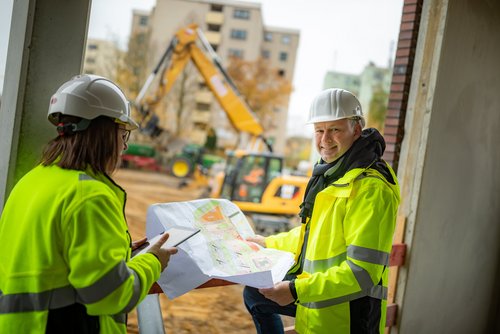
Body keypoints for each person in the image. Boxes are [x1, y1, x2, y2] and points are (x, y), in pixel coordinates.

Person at [0, 74, 177, 333]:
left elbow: (53, 257)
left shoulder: (32, 180)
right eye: (123, 134)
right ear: (105, 132)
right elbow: (112, 295)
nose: (123, 146)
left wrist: (124, 253)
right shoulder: (90, 196)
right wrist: (152, 261)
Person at [243, 88, 401, 334]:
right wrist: (268, 242)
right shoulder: (331, 175)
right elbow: (314, 235)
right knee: (255, 294)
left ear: (356, 130)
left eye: (335, 129)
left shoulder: (370, 189)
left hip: (349, 318)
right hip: (322, 307)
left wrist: (296, 290)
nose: (325, 139)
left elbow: (362, 274)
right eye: (319, 130)